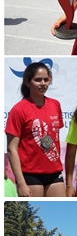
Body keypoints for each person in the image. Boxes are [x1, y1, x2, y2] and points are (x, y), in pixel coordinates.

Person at [5, 61, 66, 197]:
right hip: (31, 175)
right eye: (38, 80)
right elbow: (11, 149)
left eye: (46, 79)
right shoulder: (19, 109)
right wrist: (21, 183)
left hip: (54, 172)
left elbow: (54, 138)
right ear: (27, 82)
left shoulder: (55, 105)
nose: (43, 83)